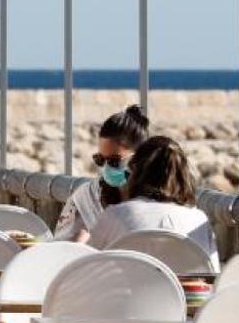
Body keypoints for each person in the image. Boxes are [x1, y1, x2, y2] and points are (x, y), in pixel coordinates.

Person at [88, 135, 219, 270]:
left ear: (135, 172)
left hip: (128, 290)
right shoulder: (198, 219)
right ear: (184, 176)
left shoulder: (115, 215)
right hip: (181, 291)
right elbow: (211, 274)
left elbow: (85, 269)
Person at [53, 105, 150, 242]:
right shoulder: (87, 197)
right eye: (100, 159)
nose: (106, 167)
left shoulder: (159, 200)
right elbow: (61, 247)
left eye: (114, 161)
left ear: (139, 158)